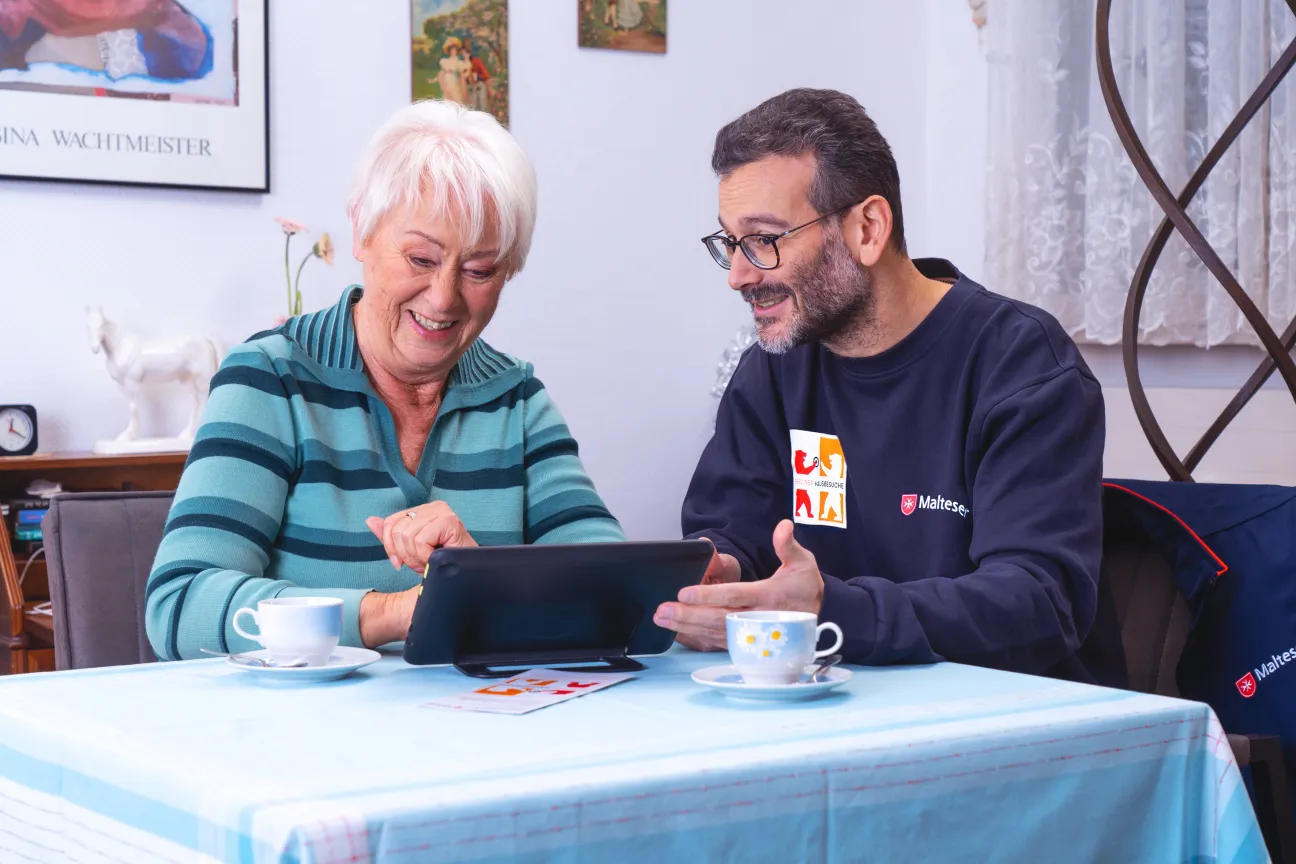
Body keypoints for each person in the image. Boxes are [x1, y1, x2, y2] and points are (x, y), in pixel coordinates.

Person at [655, 88, 1124, 687]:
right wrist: (721, 570)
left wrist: (831, 612)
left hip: (1016, 722)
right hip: (841, 708)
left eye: (764, 240)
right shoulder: (775, 367)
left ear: (868, 228)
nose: (740, 276)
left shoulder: (1021, 364)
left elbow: (1038, 601)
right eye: (730, 243)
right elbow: (733, 531)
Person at [146, 100, 624, 661]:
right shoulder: (271, 381)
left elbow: (614, 594)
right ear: (362, 232)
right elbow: (179, 608)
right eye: (421, 258)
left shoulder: (516, 400)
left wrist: (478, 579)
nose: (444, 297)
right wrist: (391, 613)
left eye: (479, 270)